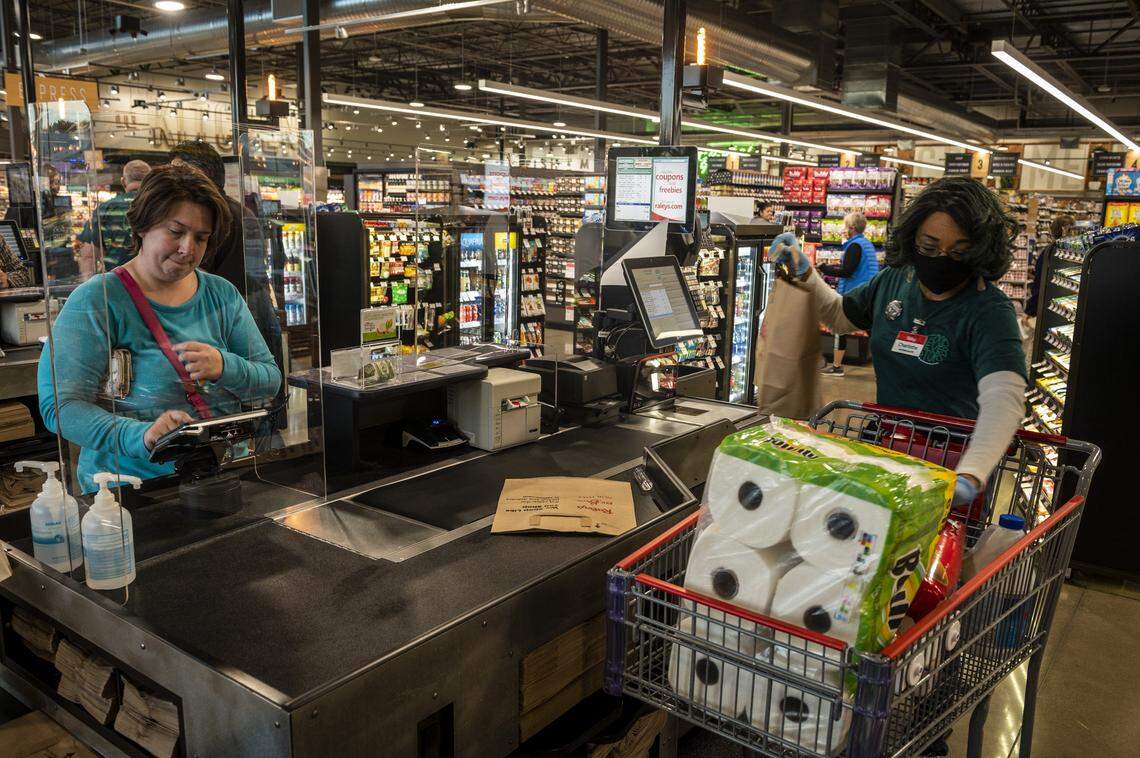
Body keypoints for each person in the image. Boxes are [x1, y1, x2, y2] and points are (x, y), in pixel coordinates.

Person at [771, 177, 1026, 505]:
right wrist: (805, 274)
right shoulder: (895, 281)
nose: (941, 259)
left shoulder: (989, 311)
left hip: (952, 460)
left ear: (979, 253)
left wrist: (971, 474)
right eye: (929, 247)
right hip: (888, 446)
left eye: (959, 253)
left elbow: (1004, 398)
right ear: (912, 238)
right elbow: (838, 316)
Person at [37, 164, 282, 492]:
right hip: (128, 494)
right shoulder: (97, 300)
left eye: (201, 238)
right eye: (176, 231)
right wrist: (140, 436)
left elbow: (269, 381)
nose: (188, 249)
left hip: (219, 480)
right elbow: (61, 406)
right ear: (142, 226)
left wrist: (225, 366)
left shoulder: (222, 295)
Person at [817, 211, 879, 376]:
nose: (844, 229)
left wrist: (824, 268)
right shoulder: (866, 244)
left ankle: (837, 366)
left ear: (851, 228)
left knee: (839, 326)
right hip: (868, 293)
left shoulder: (855, 245)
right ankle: (883, 365)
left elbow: (847, 271)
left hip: (856, 294)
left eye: (845, 226)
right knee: (871, 328)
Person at [78, 159, 152, 271]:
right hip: (155, 283)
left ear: (123, 181)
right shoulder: (161, 207)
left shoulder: (104, 209)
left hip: (117, 281)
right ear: (150, 181)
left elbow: (88, 256)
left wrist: (89, 286)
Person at [1025, 214, 1074, 324]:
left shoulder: (1049, 252)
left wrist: (1030, 311)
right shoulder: (1081, 254)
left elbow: (1040, 284)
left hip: (1051, 310)